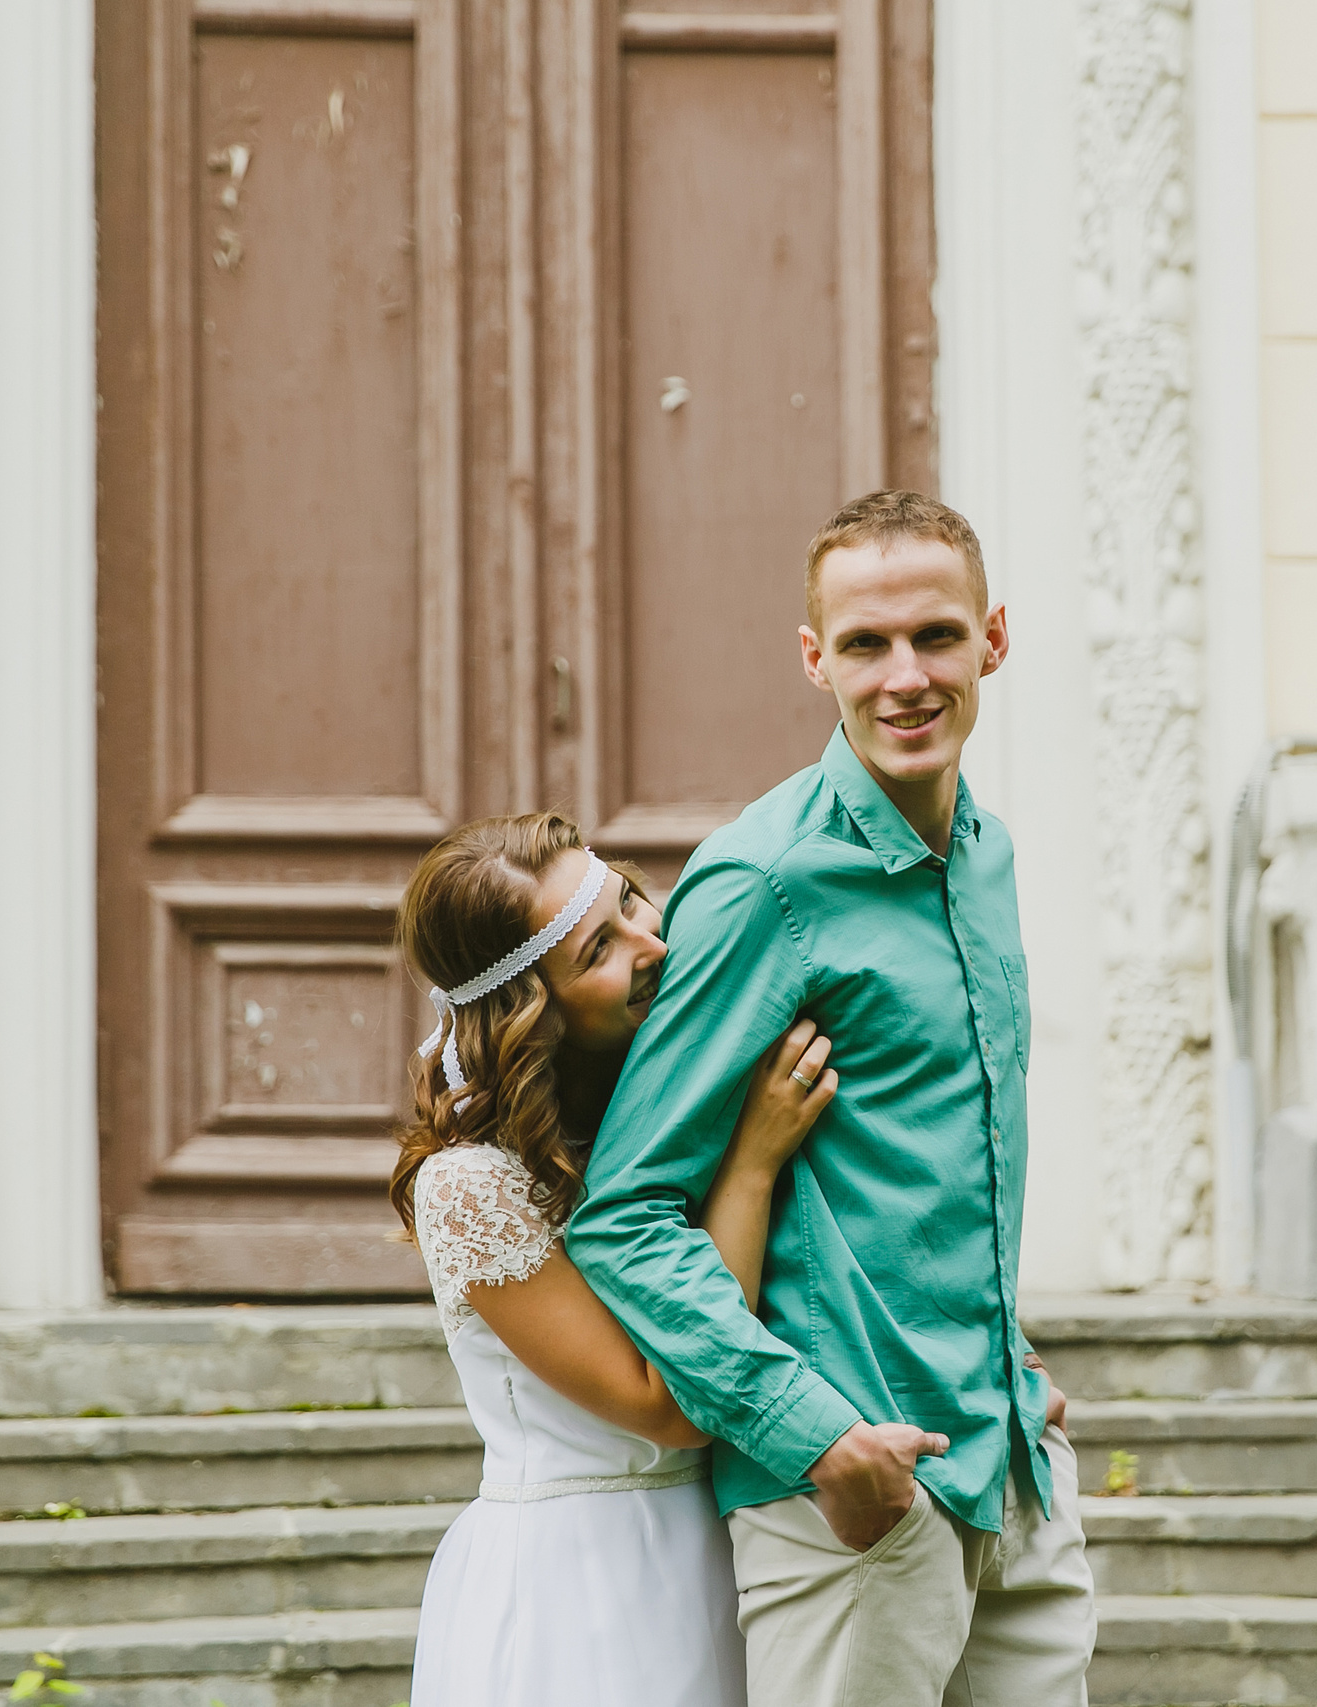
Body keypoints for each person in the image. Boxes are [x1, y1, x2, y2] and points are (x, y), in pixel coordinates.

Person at [567, 490, 1096, 1707]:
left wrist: (1008, 1363)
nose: (906, 677)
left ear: (993, 640)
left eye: (936, 637)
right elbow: (625, 1217)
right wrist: (808, 1431)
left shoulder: (988, 853)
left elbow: (941, 1154)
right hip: (855, 1497)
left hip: (1009, 1463)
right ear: (816, 660)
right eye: (866, 644)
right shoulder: (762, 883)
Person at [391, 812, 842, 1707]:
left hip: (734, 1545)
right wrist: (751, 1165)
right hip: (584, 1586)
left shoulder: (663, 1115)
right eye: (599, 947)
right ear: (530, 1010)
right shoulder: (471, 1187)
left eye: (631, 901)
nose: (654, 944)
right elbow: (667, 1403)